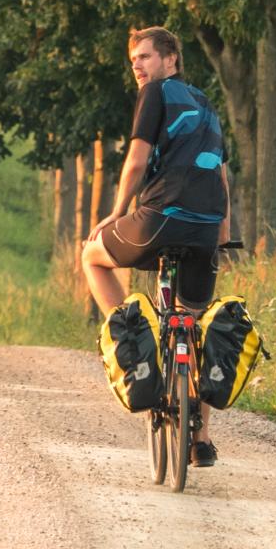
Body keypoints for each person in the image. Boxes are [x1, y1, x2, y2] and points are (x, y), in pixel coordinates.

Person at [79, 25, 231, 465]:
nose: (139, 68)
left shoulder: (156, 95)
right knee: (194, 327)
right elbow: (220, 177)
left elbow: (138, 160)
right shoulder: (206, 105)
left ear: (170, 59)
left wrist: (115, 211)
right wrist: (221, 234)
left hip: (158, 221)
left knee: (92, 256)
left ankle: (134, 336)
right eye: (134, 62)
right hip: (204, 229)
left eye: (145, 57)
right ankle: (200, 439)